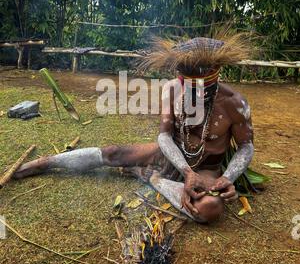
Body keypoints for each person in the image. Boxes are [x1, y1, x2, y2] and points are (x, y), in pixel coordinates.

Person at [14, 34, 254, 223]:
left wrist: (226, 177)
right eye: (189, 91)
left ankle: (152, 178)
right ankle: (47, 162)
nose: (193, 98)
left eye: (200, 93)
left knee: (209, 208)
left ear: (214, 81)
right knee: (113, 153)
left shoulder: (235, 103)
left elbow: (245, 146)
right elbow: (164, 136)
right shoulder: (171, 89)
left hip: (207, 168)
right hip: (171, 155)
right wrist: (185, 171)